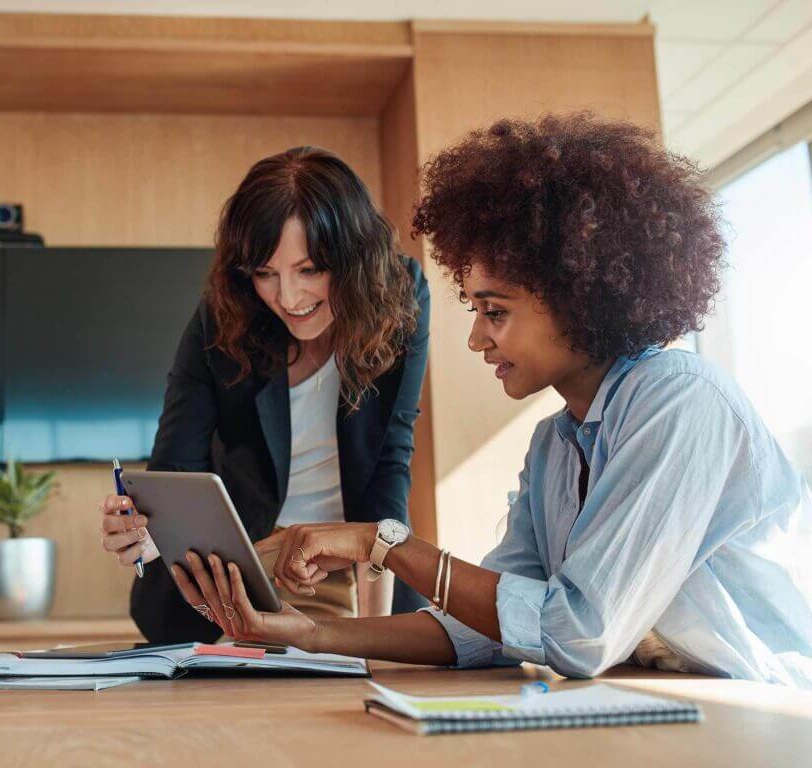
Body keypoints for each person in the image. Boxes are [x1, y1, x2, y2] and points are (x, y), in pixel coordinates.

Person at [160, 114, 812, 688]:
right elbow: (484, 630)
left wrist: (381, 543)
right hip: (653, 700)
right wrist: (310, 634)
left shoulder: (680, 401)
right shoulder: (555, 445)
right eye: (476, 309)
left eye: (494, 311)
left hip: (755, 704)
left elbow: (578, 633)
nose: (475, 337)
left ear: (578, 295)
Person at [99, 146, 431, 643]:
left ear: (354, 258)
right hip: (233, 581)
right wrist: (145, 532)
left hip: (357, 574)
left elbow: (389, 460)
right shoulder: (223, 314)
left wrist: (377, 634)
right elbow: (175, 469)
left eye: (310, 269)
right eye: (265, 274)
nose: (289, 298)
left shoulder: (400, 297)